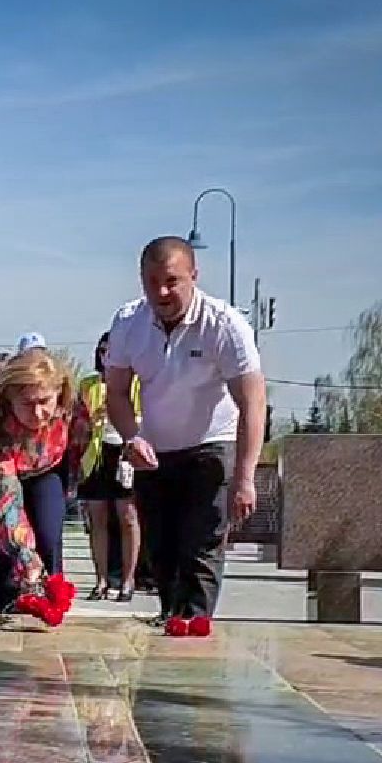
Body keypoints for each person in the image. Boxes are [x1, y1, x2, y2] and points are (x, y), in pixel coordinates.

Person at [105, 236, 266, 631]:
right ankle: (170, 616)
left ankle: (194, 624)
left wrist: (245, 477)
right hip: (154, 450)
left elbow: (253, 402)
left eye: (172, 281)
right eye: (151, 281)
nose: (161, 292)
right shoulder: (128, 322)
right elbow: (117, 394)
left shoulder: (225, 325)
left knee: (201, 544)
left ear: (194, 275)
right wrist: (131, 438)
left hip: (212, 445)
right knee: (161, 547)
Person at [0, 349, 89, 616]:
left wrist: (70, 486)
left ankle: (48, 600)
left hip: (47, 468)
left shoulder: (73, 409)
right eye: (27, 404)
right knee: (1, 539)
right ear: (9, 399)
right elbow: (6, 500)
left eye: (44, 402)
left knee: (48, 534)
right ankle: (1, 607)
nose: (38, 413)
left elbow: (78, 449)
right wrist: (26, 556)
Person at [77, 331, 143, 602]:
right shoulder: (89, 384)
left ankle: (128, 580)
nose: (108, 356)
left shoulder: (137, 381)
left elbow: (145, 415)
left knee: (128, 516)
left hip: (126, 450)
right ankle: (101, 579)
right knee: (97, 517)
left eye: (113, 351)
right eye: (103, 351)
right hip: (97, 453)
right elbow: (79, 422)